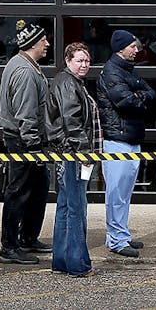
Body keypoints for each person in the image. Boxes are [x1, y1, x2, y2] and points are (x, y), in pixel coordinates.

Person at [0, 19, 51, 264]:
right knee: (18, 192)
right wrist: (33, 146)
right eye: (43, 41)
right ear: (32, 44)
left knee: (38, 189)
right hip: (23, 141)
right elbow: (26, 114)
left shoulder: (26, 65)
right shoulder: (25, 72)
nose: (47, 44)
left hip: (24, 138)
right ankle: (9, 247)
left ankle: (28, 237)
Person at [97, 28, 154, 258]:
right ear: (121, 48)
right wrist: (139, 96)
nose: (137, 50)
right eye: (133, 46)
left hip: (131, 138)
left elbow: (151, 92)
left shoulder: (128, 71)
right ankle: (116, 239)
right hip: (117, 139)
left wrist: (139, 95)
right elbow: (127, 101)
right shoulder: (112, 72)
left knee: (125, 193)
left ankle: (122, 234)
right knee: (116, 193)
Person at [46, 42, 98, 278]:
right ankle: (78, 264)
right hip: (72, 153)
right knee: (76, 209)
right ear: (68, 61)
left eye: (87, 60)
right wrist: (85, 152)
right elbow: (72, 122)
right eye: (79, 60)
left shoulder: (70, 82)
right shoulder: (68, 83)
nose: (84, 65)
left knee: (66, 207)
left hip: (66, 152)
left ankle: (62, 261)